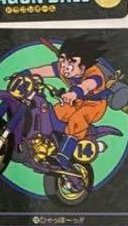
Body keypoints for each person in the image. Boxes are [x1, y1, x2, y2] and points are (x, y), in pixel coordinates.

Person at [25, 36, 112, 168]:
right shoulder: (62, 68)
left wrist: (75, 93)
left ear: (83, 66)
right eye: (62, 59)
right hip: (74, 101)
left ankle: (63, 157)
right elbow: (44, 70)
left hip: (94, 105)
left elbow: (88, 85)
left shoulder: (94, 73)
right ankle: (46, 141)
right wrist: (24, 73)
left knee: (78, 119)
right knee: (54, 112)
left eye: (72, 62)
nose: (64, 66)